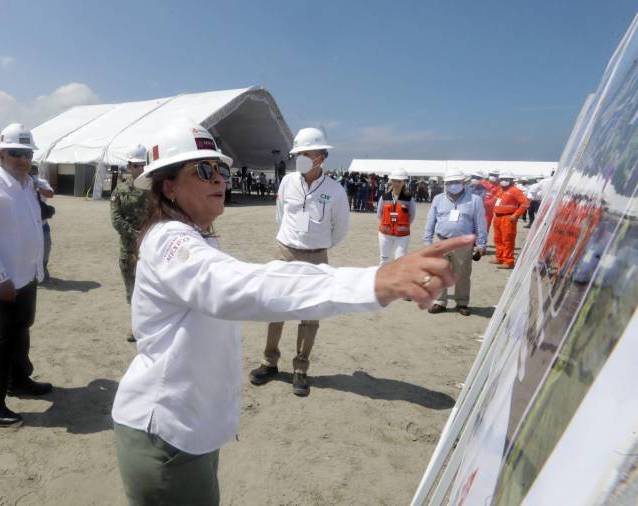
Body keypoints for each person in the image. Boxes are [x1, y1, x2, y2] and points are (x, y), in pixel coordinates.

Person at [111, 118, 473, 504]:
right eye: (203, 170)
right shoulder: (171, 240)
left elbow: (320, 242)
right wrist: (375, 282)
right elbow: (238, 285)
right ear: (168, 185)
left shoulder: (192, 236)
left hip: (186, 431)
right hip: (167, 436)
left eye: (221, 169)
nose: (219, 179)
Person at [248, 127, 350, 397]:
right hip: (285, 252)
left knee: (310, 315)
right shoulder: (287, 183)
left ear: (322, 156)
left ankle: (300, 369)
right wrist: (292, 241)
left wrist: (317, 247)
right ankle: (269, 362)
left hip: (317, 257)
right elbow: (281, 215)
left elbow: (340, 228)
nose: (301, 158)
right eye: (298, 153)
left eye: (307, 153)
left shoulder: (335, 191)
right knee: (275, 309)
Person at [0, 123, 52, 428]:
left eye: (26, 153)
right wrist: (1, 278)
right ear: (1, 153)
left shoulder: (25, 185)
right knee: (5, 339)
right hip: (3, 280)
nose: (22, 159)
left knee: (23, 329)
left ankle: (19, 381)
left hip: (27, 274)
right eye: (15, 153)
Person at [423, 168, 488, 316]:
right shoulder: (438, 199)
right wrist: (427, 241)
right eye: (449, 182)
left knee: (462, 274)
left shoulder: (475, 200)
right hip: (440, 241)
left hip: (463, 244)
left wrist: (481, 244)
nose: (452, 185)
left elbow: (480, 223)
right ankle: (440, 301)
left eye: (455, 182)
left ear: (463, 182)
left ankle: (462, 302)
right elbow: (430, 221)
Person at [111, 144, 151, 342]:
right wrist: (134, 234)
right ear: (128, 166)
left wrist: (149, 233)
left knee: (152, 288)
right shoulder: (120, 189)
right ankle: (137, 326)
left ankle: (151, 325)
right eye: (135, 165)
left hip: (151, 247)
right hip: (129, 249)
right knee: (132, 289)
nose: (139, 169)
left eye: (142, 165)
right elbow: (116, 218)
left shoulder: (154, 188)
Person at [490, 172, 530, 269]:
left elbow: (525, 203)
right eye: (502, 179)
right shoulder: (500, 190)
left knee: (507, 240)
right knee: (498, 239)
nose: (504, 181)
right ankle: (500, 258)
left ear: (511, 180)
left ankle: (508, 261)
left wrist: (515, 215)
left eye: (506, 179)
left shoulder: (515, 191)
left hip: (508, 218)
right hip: (497, 218)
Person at [376, 168, 416, 265]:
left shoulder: (409, 198)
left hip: (402, 236)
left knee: (400, 260)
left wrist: (400, 225)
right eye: (394, 181)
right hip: (385, 234)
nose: (396, 183)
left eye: (399, 181)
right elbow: (379, 214)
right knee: (384, 260)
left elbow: (412, 216)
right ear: (391, 181)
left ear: (404, 182)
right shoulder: (384, 197)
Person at [32, 171, 55, 281]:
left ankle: (43, 267)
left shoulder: (40, 182)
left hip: (42, 223)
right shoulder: (16, 182)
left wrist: (37, 187)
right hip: (25, 224)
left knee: (46, 246)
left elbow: (50, 194)